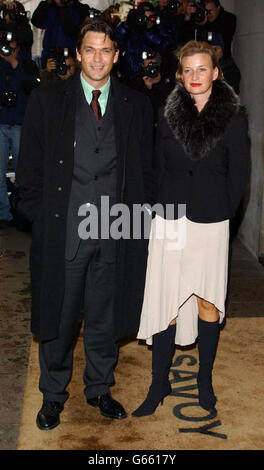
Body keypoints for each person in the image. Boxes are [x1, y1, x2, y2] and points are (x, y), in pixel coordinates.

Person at [16, 17, 154, 430]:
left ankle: (99, 388)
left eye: (105, 50)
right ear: (78, 54)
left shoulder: (136, 105)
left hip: (115, 231)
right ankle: (52, 395)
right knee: (58, 316)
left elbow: (144, 173)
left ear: (117, 56)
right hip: (65, 231)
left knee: (104, 316)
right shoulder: (46, 100)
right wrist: (42, 219)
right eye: (89, 49)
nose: (97, 58)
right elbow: (28, 171)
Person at [132, 40, 249, 417]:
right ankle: (158, 383)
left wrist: (223, 218)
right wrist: (155, 214)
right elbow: (156, 168)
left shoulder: (233, 117)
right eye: (188, 70)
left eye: (202, 69)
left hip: (211, 221)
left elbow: (239, 178)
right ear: (180, 76)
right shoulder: (166, 114)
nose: (195, 76)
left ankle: (204, 380)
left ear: (216, 72)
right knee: (166, 301)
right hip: (170, 218)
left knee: (207, 302)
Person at [0, 37, 39, 228]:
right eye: (7, 49)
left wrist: (15, 65)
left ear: (19, 50)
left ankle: (20, 212)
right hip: (1, 123)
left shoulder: (26, 66)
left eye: (13, 49)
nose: (9, 53)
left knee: (22, 172)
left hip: (18, 124)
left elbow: (31, 86)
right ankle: (4, 214)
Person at [31, 0, 90, 69]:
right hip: (51, 60)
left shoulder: (80, 9)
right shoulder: (50, 9)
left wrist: (63, 6)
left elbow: (69, 30)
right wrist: (48, 2)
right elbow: (36, 21)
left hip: (71, 60)